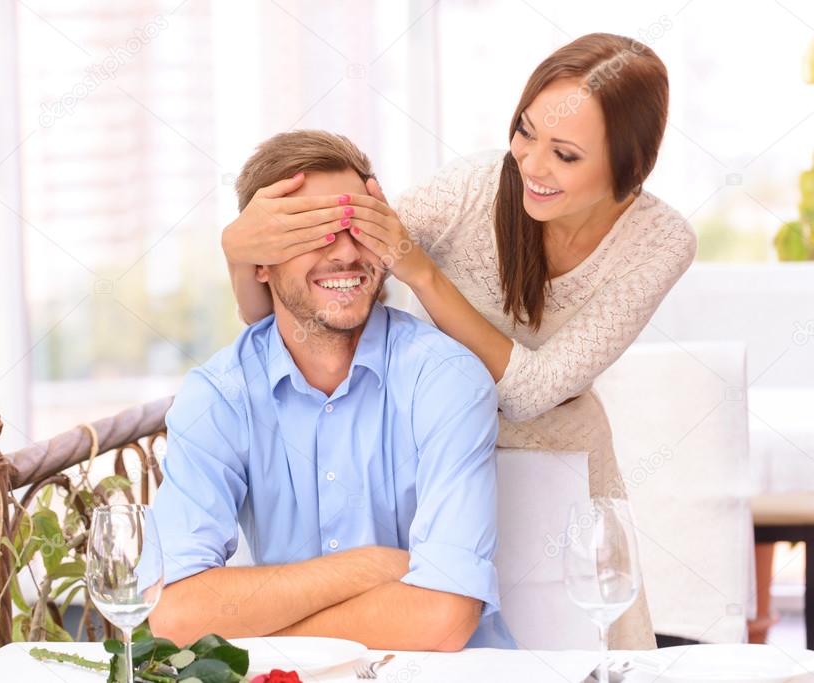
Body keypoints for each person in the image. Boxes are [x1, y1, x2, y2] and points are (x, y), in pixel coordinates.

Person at [220, 33, 699, 649]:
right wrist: (240, 254)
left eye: (567, 155)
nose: (531, 165)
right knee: (432, 644)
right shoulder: (475, 188)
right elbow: (296, 312)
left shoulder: (659, 241)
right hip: (441, 465)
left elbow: (533, 393)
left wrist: (421, 271)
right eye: (525, 132)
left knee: (581, 650)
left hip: (562, 475)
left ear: (629, 166)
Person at [149, 130, 513, 651]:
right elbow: (171, 614)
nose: (345, 252)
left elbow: (442, 618)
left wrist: (254, 630)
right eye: (310, 231)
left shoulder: (445, 378)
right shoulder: (219, 395)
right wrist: (370, 567)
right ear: (259, 262)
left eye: (358, 227)